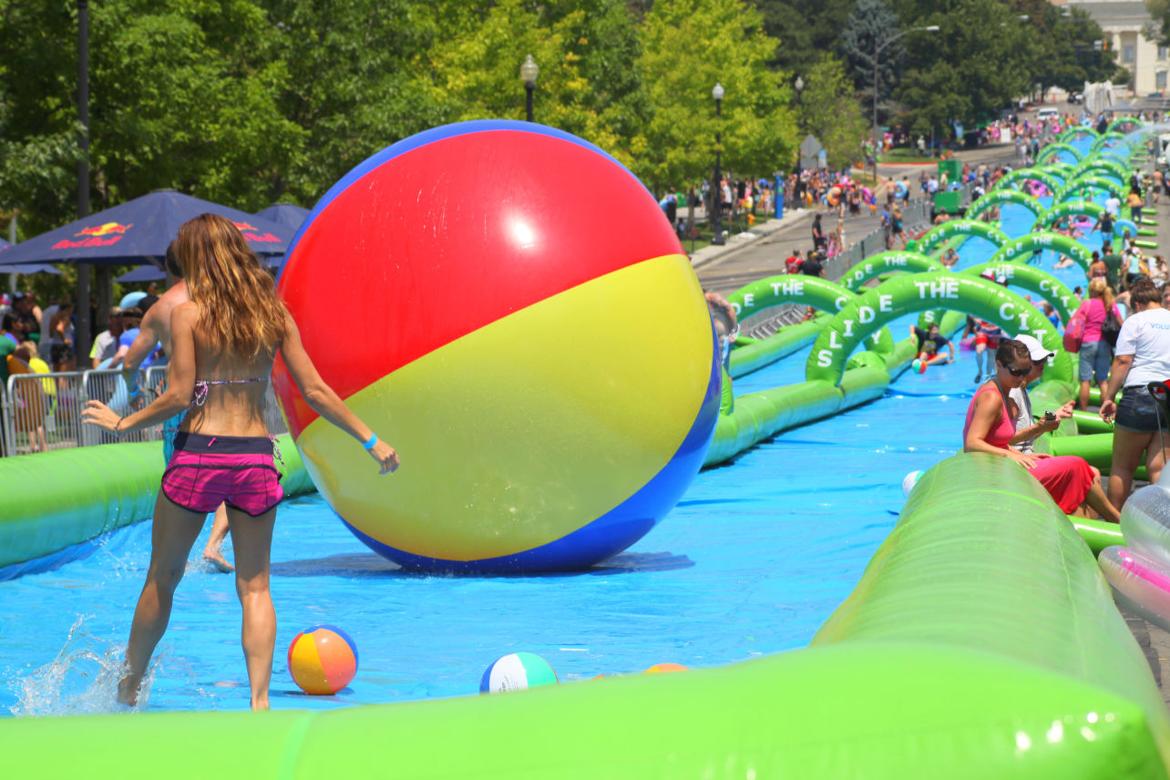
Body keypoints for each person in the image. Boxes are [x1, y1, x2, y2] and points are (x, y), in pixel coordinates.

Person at [81, 214, 400, 711]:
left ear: (194, 259)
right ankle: (259, 703)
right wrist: (370, 438)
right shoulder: (273, 315)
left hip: (198, 455)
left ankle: (128, 689)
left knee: (162, 578)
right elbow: (313, 390)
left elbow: (180, 396)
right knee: (255, 586)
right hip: (254, 457)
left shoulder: (188, 315)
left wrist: (123, 423)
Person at [117, 245, 234, 573]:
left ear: (168, 269)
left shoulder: (160, 309)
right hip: (214, 402)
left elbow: (129, 363)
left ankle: (168, 558)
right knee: (231, 477)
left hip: (174, 407)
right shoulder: (215, 302)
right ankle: (212, 546)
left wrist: (134, 390)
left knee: (177, 483)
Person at [964, 339, 1119, 522]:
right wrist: (1011, 455)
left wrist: (1026, 441)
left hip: (1006, 466)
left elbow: (998, 439)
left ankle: (1111, 522)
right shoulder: (992, 397)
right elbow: (971, 443)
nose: (1021, 377)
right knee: (1078, 466)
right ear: (999, 365)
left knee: (1083, 470)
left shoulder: (1010, 391)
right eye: (1016, 372)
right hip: (999, 474)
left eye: (1026, 371)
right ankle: (1117, 521)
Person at [1100, 279, 1170, 508]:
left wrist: (1109, 397)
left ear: (1138, 303)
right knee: (1159, 468)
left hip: (1140, 393)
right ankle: (1163, 525)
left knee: (1122, 467)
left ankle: (1112, 523)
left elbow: (1123, 360)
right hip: (1167, 394)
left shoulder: (1136, 321)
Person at [1009, 336, 1075, 456]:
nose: (1043, 364)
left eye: (1044, 359)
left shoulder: (1022, 390)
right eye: (1038, 361)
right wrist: (1040, 427)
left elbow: (1022, 438)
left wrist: (1055, 416)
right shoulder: (1013, 394)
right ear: (1021, 363)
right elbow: (1004, 440)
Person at [1073, 278, 1122, 410]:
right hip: (1104, 344)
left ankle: (1083, 411)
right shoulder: (1110, 303)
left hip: (1088, 343)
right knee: (1102, 380)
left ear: (1091, 290)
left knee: (1085, 380)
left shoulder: (1086, 304)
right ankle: (1106, 410)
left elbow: (1077, 324)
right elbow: (1120, 322)